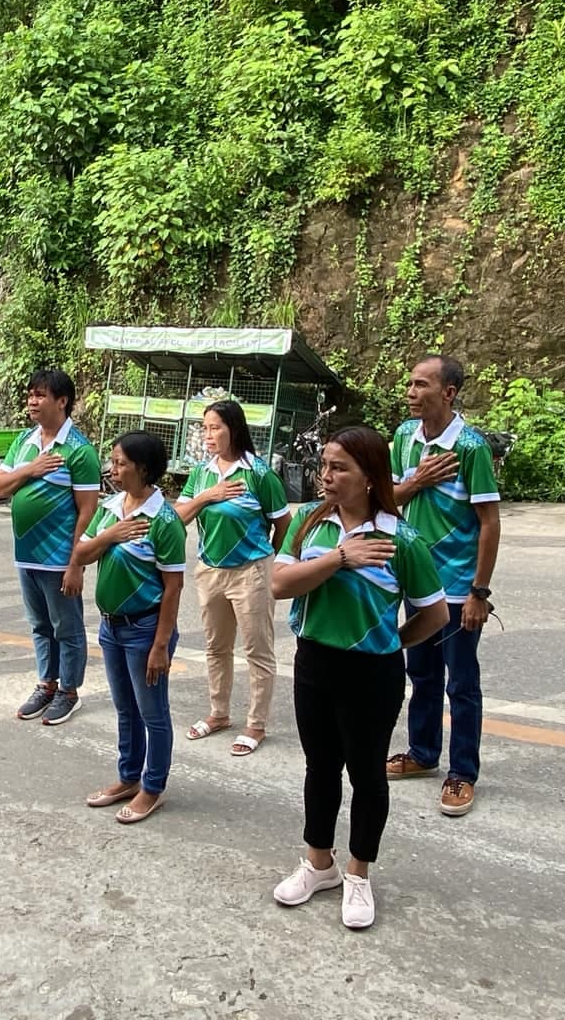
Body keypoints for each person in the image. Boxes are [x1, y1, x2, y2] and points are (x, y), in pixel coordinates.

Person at [269, 426, 448, 930]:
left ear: (370, 477)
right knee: (319, 768)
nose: (325, 476)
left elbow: (434, 615)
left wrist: (388, 644)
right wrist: (340, 558)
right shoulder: (307, 522)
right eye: (324, 465)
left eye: (339, 467)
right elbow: (279, 585)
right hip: (313, 663)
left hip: (373, 672)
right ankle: (318, 863)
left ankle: (358, 873)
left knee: (367, 774)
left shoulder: (401, 538)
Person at [384, 355, 504, 817]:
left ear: (448, 393)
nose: (411, 392)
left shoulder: (470, 447)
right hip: (416, 583)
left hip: (456, 588)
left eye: (421, 385)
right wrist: (415, 482)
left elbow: (489, 523)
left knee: (462, 683)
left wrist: (480, 592)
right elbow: (387, 498)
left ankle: (463, 773)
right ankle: (422, 753)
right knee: (422, 674)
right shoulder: (402, 438)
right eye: (410, 384)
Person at [75, 432, 188, 825]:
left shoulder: (165, 521)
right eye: (112, 461)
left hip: (145, 631)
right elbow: (82, 553)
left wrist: (160, 645)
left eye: (120, 463)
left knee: (152, 713)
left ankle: (152, 787)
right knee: (125, 709)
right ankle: (128, 777)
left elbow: (173, 588)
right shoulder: (110, 509)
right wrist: (110, 535)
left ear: (143, 468)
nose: (113, 469)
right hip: (111, 628)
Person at [177, 401, 289, 757]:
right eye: (204, 428)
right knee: (216, 646)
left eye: (215, 428)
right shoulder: (201, 474)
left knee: (257, 649)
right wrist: (209, 495)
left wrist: (268, 563)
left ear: (234, 429)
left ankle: (256, 724)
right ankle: (219, 714)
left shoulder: (258, 474)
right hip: (210, 570)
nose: (207, 435)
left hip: (251, 572)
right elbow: (178, 516)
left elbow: (283, 524)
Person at [0, 369, 102, 725]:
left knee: (66, 627)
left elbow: (88, 511)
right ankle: (47, 683)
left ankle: (69, 691)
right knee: (39, 625)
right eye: (30, 395)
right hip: (27, 555)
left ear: (62, 401)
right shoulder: (25, 442)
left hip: (59, 559)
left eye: (40, 395)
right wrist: (33, 468)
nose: (32, 402)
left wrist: (76, 563)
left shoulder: (79, 451)